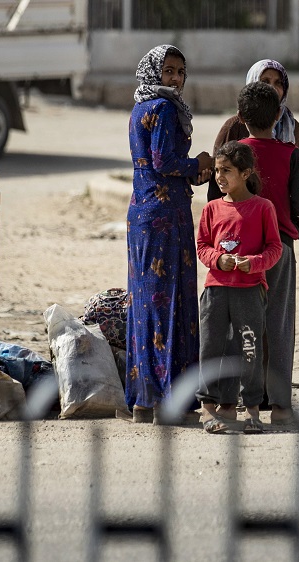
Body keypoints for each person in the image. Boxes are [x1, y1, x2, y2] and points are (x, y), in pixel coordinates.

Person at [122, 44, 213, 424]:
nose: (175, 78)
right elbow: (164, 161)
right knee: (169, 302)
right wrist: (199, 165)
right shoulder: (162, 108)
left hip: (143, 214)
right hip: (165, 216)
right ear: (154, 72)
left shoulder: (140, 107)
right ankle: (168, 402)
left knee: (145, 304)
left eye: (179, 72)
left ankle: (144, 401)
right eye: (168, 71)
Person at [234, 81, 299, 425]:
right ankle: (280, 406)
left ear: (240, 117)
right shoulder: (289, 152)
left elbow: (215, 198)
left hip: (240, 250)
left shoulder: (232, 153)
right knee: (279, 326)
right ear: (279, 114)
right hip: (279, 247)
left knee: (243, 324)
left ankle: (245, 400)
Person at [196, 141, 282, 434]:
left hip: (249, 291)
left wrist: (253, 263)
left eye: (227, 171)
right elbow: (202, 246)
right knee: (211, 348)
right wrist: (219, 260)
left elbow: (274, 248)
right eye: (217, 171)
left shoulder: (262, 208)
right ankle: (208, 409)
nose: (219, 177)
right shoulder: (211, 209)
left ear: (246, 173)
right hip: (216, 290)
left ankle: (253, 410)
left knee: (248, 350)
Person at [207, 59, 299, 231]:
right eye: (265, 81)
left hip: (279, 224)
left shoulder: (291, 125)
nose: (272, 88)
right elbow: (217, 173)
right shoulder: (235, 126)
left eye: (278, 83)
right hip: (240, 224)